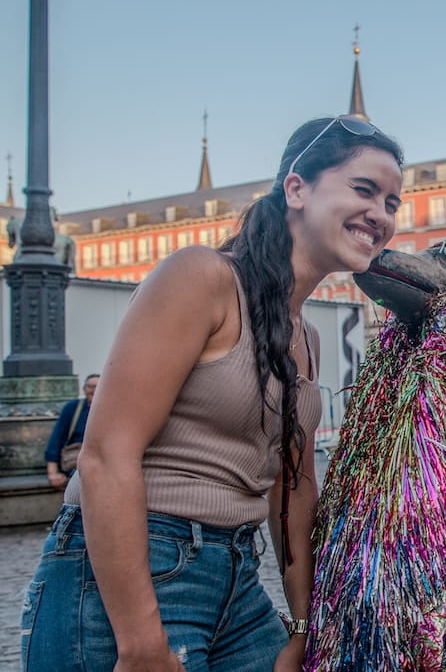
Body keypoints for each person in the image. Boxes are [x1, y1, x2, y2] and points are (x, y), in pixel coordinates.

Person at [21, 116, 404, 671]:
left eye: (392, 202)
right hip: (133, 571)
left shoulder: (306, 336)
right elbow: (106, 455)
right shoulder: (202, 278)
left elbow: (291, 494)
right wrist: (141, 643)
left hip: (237, 579)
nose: (381, 214)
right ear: (296, 188)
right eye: (364, 190)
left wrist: (302, 626)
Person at [44, 374, 99, 489]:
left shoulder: (111, 409)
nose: (93, 390)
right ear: (84, 389)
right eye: (90, 387)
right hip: (76, 462)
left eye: (97, 387)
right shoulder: (72, 408)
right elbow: (57, 438)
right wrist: (52, 472)